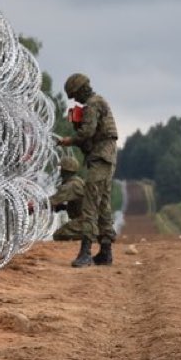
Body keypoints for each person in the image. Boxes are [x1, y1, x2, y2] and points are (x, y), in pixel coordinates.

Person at [57, 73, 118, 267]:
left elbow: (88, 132)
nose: (76, 100)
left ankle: (85, 252)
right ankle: (105, 252)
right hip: (105, 156)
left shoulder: (92, 104)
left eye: (75, 95)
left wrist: (70, 139)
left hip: (101, 156)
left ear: (82, 90)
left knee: (90, 204)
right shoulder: (98, 102)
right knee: (103, 204)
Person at [50, 155, 88, 241]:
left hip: (85, 221)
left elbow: (53, 200)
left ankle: (91, 237)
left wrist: (35, 205)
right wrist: (63, 207)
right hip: (88, 219)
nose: (60, 172)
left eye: (61, 169)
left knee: (59, 235)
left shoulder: (72, 185)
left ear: (65, 171)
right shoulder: (77, 182)